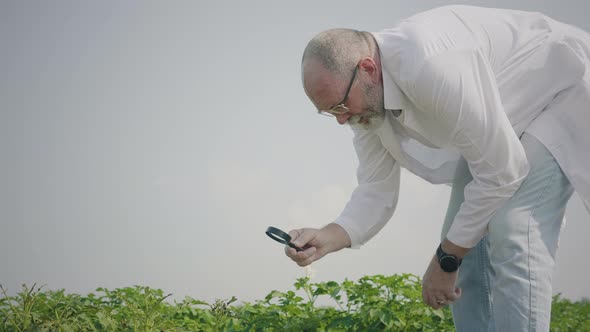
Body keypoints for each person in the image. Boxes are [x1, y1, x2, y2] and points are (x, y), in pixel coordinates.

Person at [285, 5, 590, 331]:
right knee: (463, 243)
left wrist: (446, 259)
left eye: (341, 106)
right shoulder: (366, 105)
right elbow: (376, 191)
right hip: (504, 121)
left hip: (561, 89)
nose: (342, 119)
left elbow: (503, 171)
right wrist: (327, 236)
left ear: (368, 68)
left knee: (514, 227)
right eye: (330, 112)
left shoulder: (429, 62)